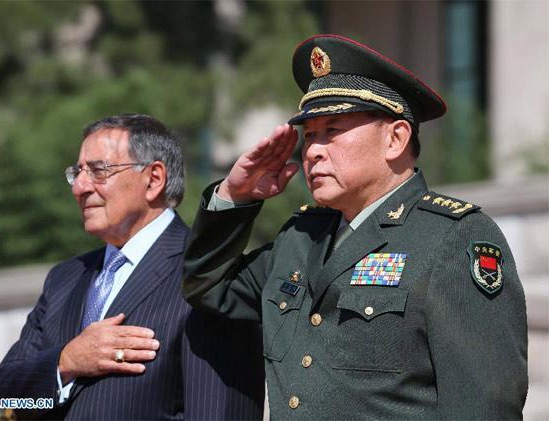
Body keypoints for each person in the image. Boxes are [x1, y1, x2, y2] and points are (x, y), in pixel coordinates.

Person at [183, 35, 528, 419]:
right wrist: (235, 195)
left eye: (333, 130)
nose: (313, 150)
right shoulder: (301, 236)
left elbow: (485, 406)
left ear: (395, 138)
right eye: (309, 135)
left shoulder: (453, 237)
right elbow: (208, 286)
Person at [0, 114, 264, 420]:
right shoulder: (64, 279)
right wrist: (65, 362)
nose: (79, 187)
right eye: (77, 172)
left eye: (98, 171)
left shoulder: (209, 276)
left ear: (154, 179)